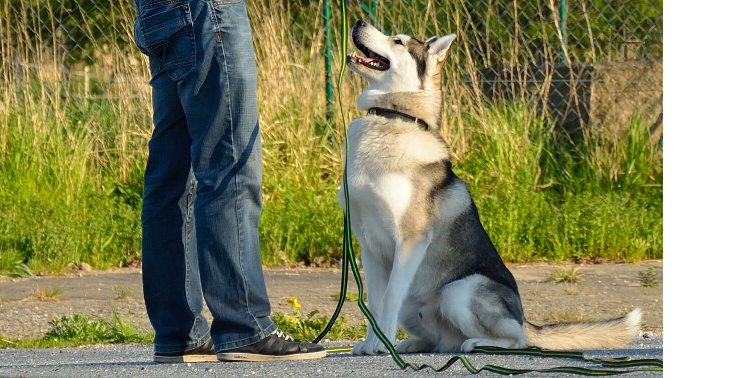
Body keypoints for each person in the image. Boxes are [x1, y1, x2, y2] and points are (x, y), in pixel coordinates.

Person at [132, 0, 326, 362]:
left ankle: (179, 333)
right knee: (229, 164)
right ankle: (244, 326)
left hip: (158, 12)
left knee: (170, 178)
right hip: (207, 11)